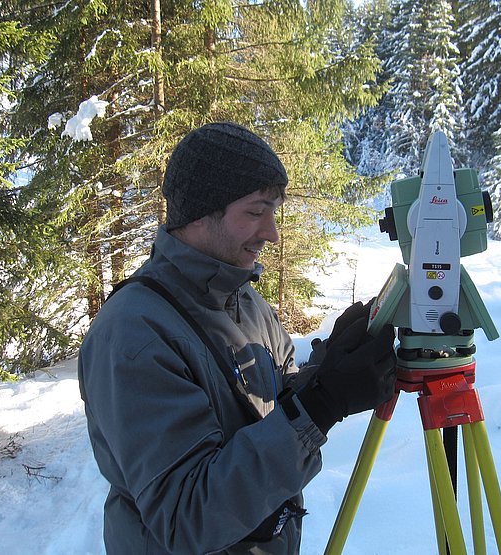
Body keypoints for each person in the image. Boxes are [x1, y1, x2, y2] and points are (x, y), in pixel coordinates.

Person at [78, 122, 397, 554]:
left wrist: (329, 369)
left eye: (273, 212)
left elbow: (276, 406)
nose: (271, 233)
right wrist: (323, 405)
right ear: (200, 212)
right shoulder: (134, 334)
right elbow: (187, 517)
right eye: (255, 211)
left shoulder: (242, 298)